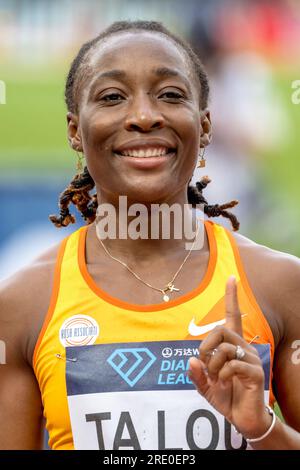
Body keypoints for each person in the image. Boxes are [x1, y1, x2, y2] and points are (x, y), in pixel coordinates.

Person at [0, 20, 300, 451]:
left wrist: (262, 428)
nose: (143, 116)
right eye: (112, 97)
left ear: (206, 125)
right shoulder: (21, 306)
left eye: (170, 95)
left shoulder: (281, 286)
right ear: (74, 131)